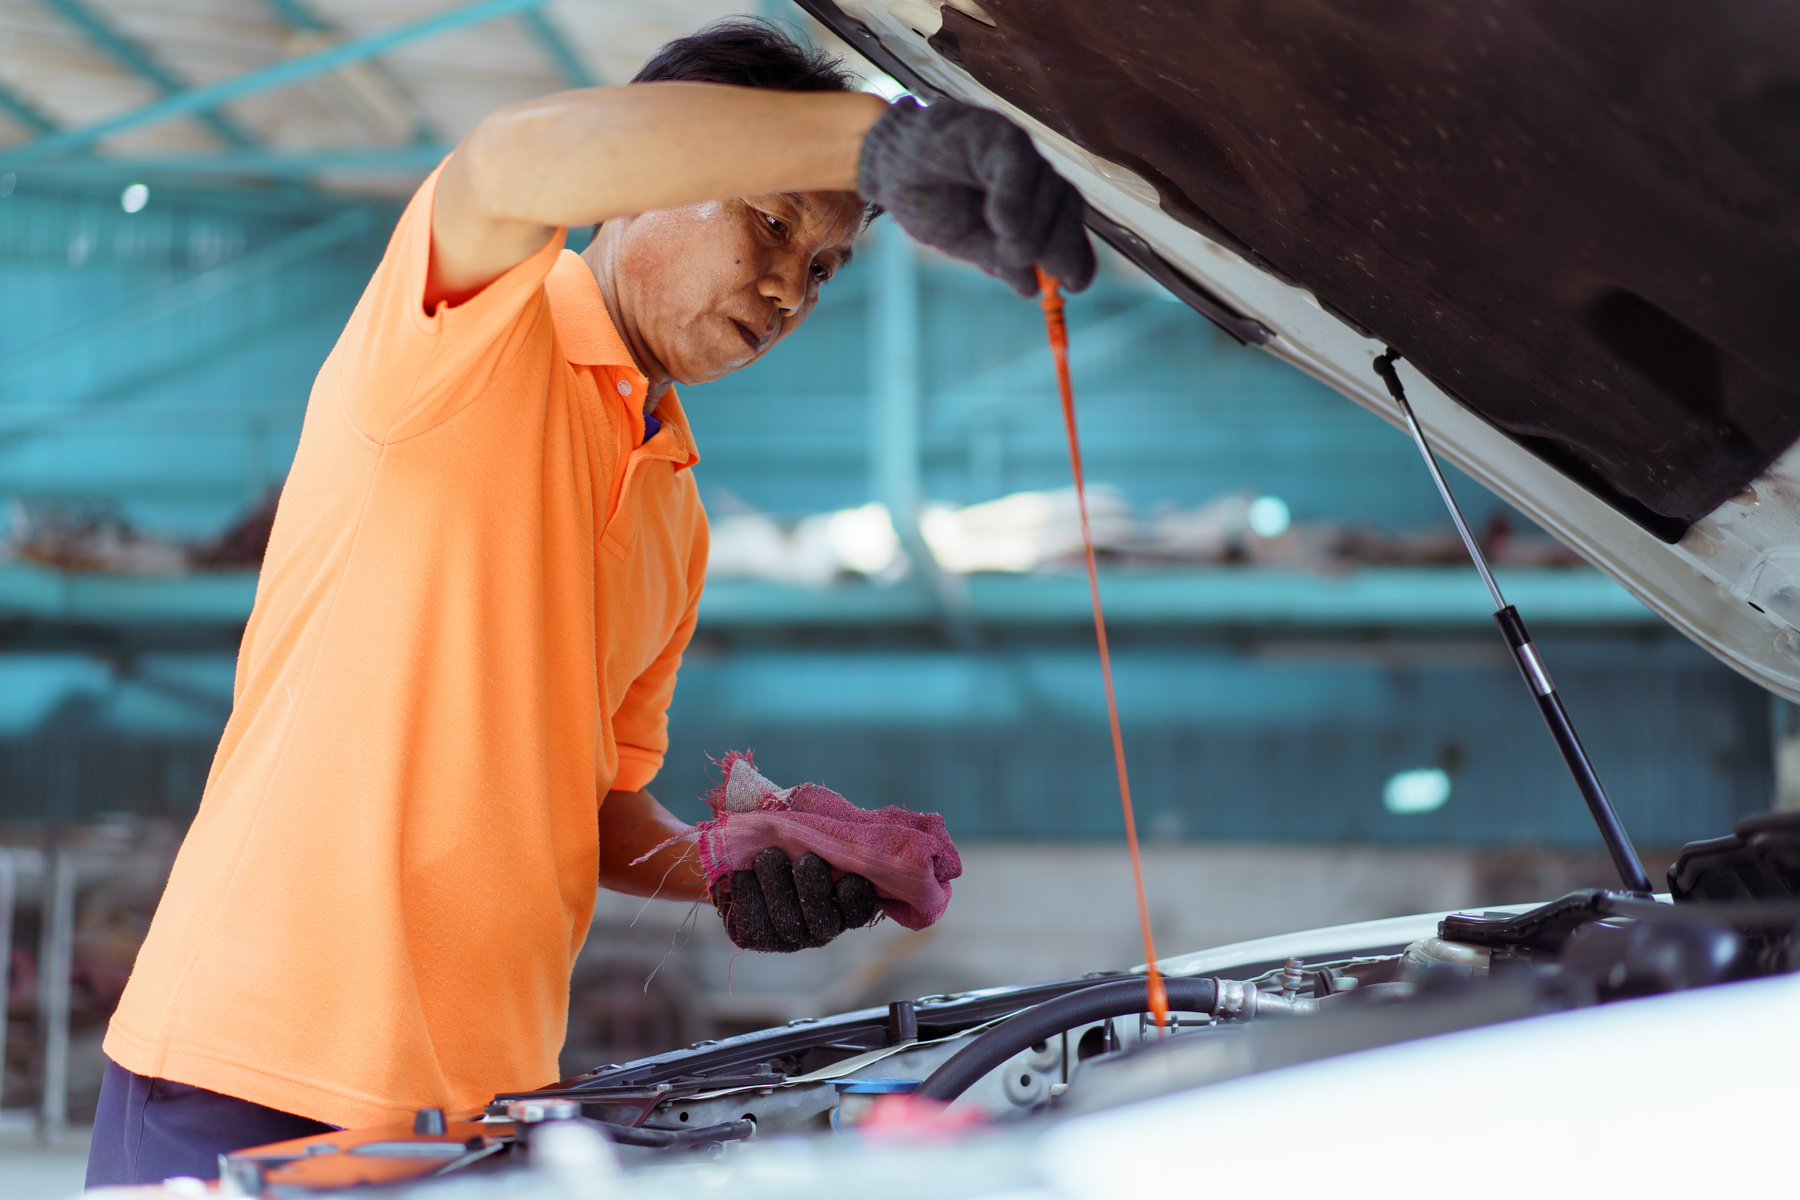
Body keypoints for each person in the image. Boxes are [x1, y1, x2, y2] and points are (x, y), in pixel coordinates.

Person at [86, 19, 1093, 1187]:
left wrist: (732, 859)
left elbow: (593, 808)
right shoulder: (461, 337)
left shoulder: (678, 509)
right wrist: (874, 139)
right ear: (639, 185)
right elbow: (516, 163)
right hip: (252, 1071)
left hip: (477, 1115)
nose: (787, 288)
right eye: (769, 223)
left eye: (824, 267)